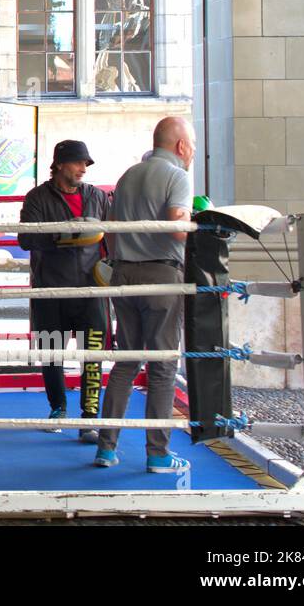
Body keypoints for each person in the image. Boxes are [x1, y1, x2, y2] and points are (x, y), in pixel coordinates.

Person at [93, 116, 195, 473]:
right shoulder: (177, 177)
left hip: (124, 274)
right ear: (181, 146)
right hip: (161, 275)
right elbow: (177, 223)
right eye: (192, 145)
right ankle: (157, 454)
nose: (193, 152)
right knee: (163, 366)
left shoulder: (128, 176)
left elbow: (111, 231)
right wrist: (201, 225)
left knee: (125, 362)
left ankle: (106, 448)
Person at [17, 140, 111, 443]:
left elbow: (113, 237)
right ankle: (58, 408)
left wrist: (113, 268)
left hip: (91, 289)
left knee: (92, 354)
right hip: (51, 288)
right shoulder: (37, 197)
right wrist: (63, 235)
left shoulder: (97, 197)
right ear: (59, 164)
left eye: (86, 164)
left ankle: (89, 418)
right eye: (77, 163)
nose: (83, 169)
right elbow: (25, 240)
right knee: (52, 353)